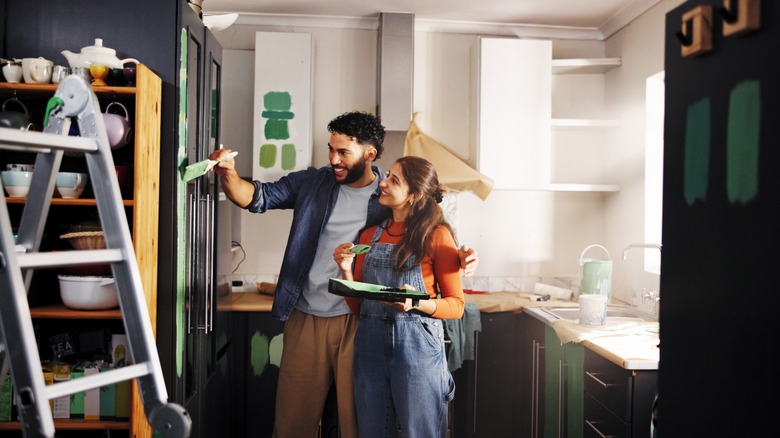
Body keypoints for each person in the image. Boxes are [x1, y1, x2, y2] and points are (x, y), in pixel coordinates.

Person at [208, 111, 477, 438]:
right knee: (293, 424)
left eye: (343, 152)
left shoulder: (387, 196)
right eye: (330, 149)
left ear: (370, 154)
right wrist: (229, 173)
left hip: (363, 323)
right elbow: (255, 196)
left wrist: (460, 255)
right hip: (307, 316)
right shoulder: (312, 182)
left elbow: (426, 226)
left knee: (358, 426)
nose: (333, 159)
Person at [333, 156, 464, 438]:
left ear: (414, 196)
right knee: (373, 431)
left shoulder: (437, 236)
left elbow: (456, 306)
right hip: (369, 346)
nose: (383, 182)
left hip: (418, 348)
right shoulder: (368, 236)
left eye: (394, 180)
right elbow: (359, 307)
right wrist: (346, 271)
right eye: (387, 176)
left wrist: (416, 302)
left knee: (421, 432)